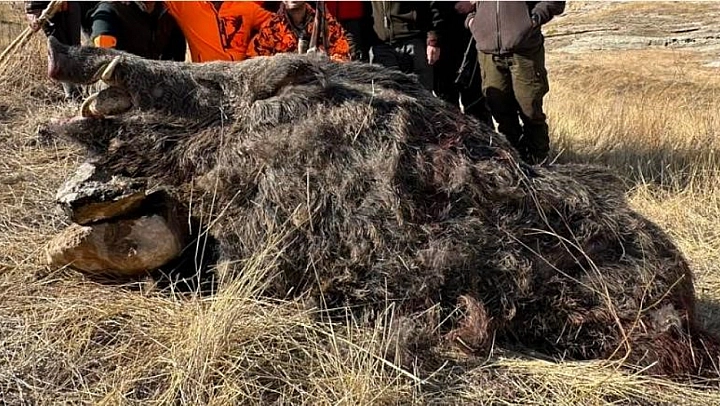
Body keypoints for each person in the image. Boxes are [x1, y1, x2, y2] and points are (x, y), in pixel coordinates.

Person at [466, 1, 565, 164]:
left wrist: (534, 19)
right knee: (500, 110)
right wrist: (472, 21)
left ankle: (539, 164)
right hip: (488, 51)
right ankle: (514, 162)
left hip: (524, 51)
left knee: (530, 109)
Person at [25, 1, 98, 100]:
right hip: (51, 8)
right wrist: (32, 12)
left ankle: (87, 89)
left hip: (73, 5)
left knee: (78, 47)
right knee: (62, 51)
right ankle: (73, 96)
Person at [433, 1, 491, 126]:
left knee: (475, 99)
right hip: (441, 36)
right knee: (446, 102)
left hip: (471, 33)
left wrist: (473, 2)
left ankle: (482, 135)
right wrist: (433, 39)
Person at [364, 1, 445, 91]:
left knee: (422, 94)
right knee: (386, 95)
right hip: (381, 47)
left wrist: (433, 40)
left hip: (414, 43)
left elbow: (434, 5)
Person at [164, 1, 273, 62]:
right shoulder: (187, 6)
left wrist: (254, 52)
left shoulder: (247, 7)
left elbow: (277, 25)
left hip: (243, 77)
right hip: (205, 79)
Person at [247, 1, 350, 62]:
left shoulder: (328, 24)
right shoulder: (270, 29)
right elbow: (256, 66)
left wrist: (325, 61)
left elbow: (344, 59)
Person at [89, 1, 186, 61]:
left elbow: (176, 61)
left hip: (158, 82)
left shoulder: (171, 14)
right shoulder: (111, 10)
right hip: (121, 82)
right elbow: (104, 60)